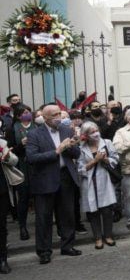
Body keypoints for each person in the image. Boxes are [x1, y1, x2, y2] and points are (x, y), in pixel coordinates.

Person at [26, 104, 82, 264]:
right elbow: (31, 158)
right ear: (45, 118)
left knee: (67, 214)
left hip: (65, 177)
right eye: (55, 115)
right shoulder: (34, 134)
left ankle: (67, 246)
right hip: (45, 179)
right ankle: (44, 251)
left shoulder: (66, 130)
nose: (59, 118)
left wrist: (72, 146)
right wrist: (57, 151)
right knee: (44, 217)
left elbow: (76, 154)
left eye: (60, 114)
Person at [77, 122, 118, 249]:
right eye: (92, 132)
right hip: (89, 182)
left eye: (96, 130)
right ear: (86, 135)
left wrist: (105, 159)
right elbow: (79, 169)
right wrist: (95, 160)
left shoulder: (106, 143)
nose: (96, 133)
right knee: (93, 212)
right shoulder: (80, 148)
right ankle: (98, 238)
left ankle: (108, 236)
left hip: (104, 181)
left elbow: (115, 159)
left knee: (107, 211)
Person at [7, 105, 35, 240]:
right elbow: (9, 150)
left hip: (36, 166)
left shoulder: (37, 126)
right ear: (18, 116)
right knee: (23, 198)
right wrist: (21, 145)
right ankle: (22, 227)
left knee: (39, 197)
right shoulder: (12, 129)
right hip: (21, 166)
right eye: (24, 113)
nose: (27, 114)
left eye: (28, 112)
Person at [0, 139, 19, 273]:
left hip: (1, 190)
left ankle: (3, 259)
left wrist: (6, 158)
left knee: (1, 226)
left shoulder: (1, 143)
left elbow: (14, 161)